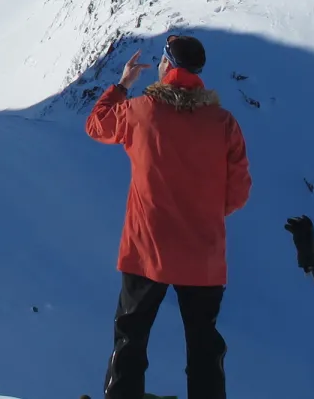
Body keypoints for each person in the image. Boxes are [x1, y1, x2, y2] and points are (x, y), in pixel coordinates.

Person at [85, 34, 252, 399]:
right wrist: (204, 213)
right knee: (204, 347)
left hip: (147, 250)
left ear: (167, 66)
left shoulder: (140, 110)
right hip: (203, 256)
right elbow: (239, 189)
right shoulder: (223, 122)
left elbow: (96, 125)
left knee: (131, 338)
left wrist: (122, 85)